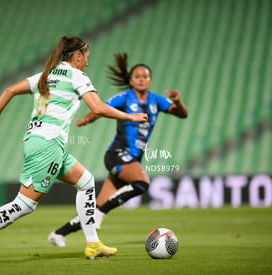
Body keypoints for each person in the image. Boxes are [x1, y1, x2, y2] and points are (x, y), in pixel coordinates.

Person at [0, 37, 148, 265]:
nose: (87, 63)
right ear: (78, 56)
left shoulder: (45, 76)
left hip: (41, 141)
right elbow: (97, 107)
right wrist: (130, 116)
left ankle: (93, 244)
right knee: (24, 204)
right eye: (87, 58)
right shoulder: (77, 76)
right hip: (47, 144)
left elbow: (9, 90)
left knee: (86, 182)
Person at [48, 52, 188, 247]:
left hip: (133, 159)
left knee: (95, 207)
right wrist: (88, 119)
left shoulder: (157, 100)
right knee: (141, 184)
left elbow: (182, 115)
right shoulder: (125, 97)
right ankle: (101, 213)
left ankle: (58, 234)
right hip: (117, 154)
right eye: (137, 76)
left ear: (150, 79)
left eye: (145, 76)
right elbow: (101, 108)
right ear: (131, 80)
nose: (141, 79)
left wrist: (178, 102)